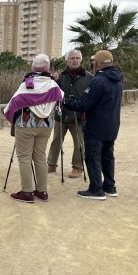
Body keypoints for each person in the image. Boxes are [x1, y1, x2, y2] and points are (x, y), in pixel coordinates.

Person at [3, 54, 64, 203]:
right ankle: (42, 191)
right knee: (40, 157)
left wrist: (10, 116)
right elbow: (61, 99)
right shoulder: (53, 85)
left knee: (24, 157)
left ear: (32, 67)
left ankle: (27, 192)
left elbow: (13, 104)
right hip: (46, 125)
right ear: (48, 68)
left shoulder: (27, 84)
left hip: (26, 126)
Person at [64, 50, 123, 200]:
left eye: (94, 61)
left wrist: (65, 102)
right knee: (107, 156)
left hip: (96, 126)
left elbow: (84, 104)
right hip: (112, 125)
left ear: (97, 63)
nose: (92, 64)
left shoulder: (98, 80)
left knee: (92, 157)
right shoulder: (117, 79)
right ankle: (109, 187)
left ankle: (96, 189)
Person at [47, 49, 93, 178]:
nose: (75, 60)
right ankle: (51, 164)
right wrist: (54, 80)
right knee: (56, 141)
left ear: (81, 60)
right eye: (72, 58)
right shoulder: (60, 76)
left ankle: (77, 167)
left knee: (79, 143)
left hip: (79, 116)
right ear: (67, 60)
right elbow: (53, 93)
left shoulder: (89, 77)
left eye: (77, 58)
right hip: (61, 114)